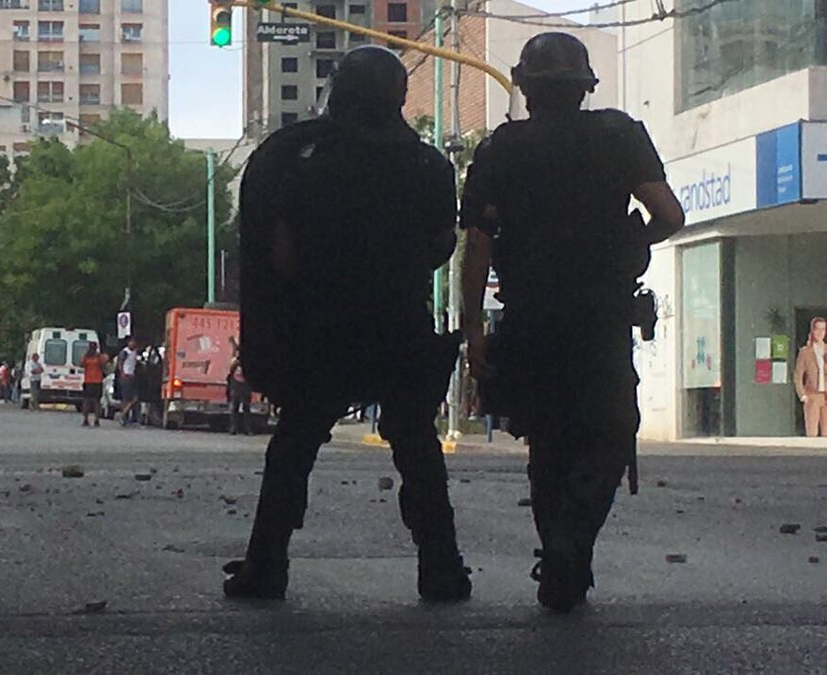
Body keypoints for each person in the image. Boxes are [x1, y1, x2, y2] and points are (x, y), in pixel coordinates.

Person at [226, 45, 469, 603]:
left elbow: (273, 253)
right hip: (398, 329)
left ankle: (266, 567)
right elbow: (439, 245)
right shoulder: (427, 164)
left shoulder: (294, 155)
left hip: (319, 333)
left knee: (293, 447)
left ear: (338, 90)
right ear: (399, 97)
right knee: (417, 449)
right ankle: (442, 568)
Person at [459, 33, 685, 612]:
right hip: (600, 317)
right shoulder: (617, 135)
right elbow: (669, 214)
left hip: (530, 316)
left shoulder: (500, 149)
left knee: (548, 442)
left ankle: (560, 555)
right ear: (585, 87)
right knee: (608, 431)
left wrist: (473, 331)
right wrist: (627, 243)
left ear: (526, 88)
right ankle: (570, 547)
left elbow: (477, 245)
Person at [794, 317, 827, 437]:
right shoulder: (805, 352)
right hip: (812, 395)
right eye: (817, 329)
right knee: (812, 433)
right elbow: (798, 375)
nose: (820, 332)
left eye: (823, 329)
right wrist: (802, 394)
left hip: (826, 396)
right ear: (813, 331)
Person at [79, 342, 108, 427]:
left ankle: (85, 419)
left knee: (87, 401)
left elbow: (81, 364)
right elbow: (104, 365)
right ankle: (96, 420)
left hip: (88, 381)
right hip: (97, 381)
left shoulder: (87, 356)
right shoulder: (98, 357)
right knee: (96, 402)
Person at [228, 351, 253, 436]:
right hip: (236, 386)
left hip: (246, 387)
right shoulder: (235, 363)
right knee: (235, 408)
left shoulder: (249, 363)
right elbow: (231, 371)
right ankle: (233, 428)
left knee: (246, 408)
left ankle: (247, 429)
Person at [117, 338, 140, 426]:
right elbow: (120, 363)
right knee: (126, 398)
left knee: (134, 398)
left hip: (132, 376)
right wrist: (122, 373)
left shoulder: (135, 352)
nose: (133, 343)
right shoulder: (125, 352)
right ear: (128, 343)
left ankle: (128, 416)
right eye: (132, 342)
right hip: (126, 377)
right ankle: (123, 416)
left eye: (134, 342)